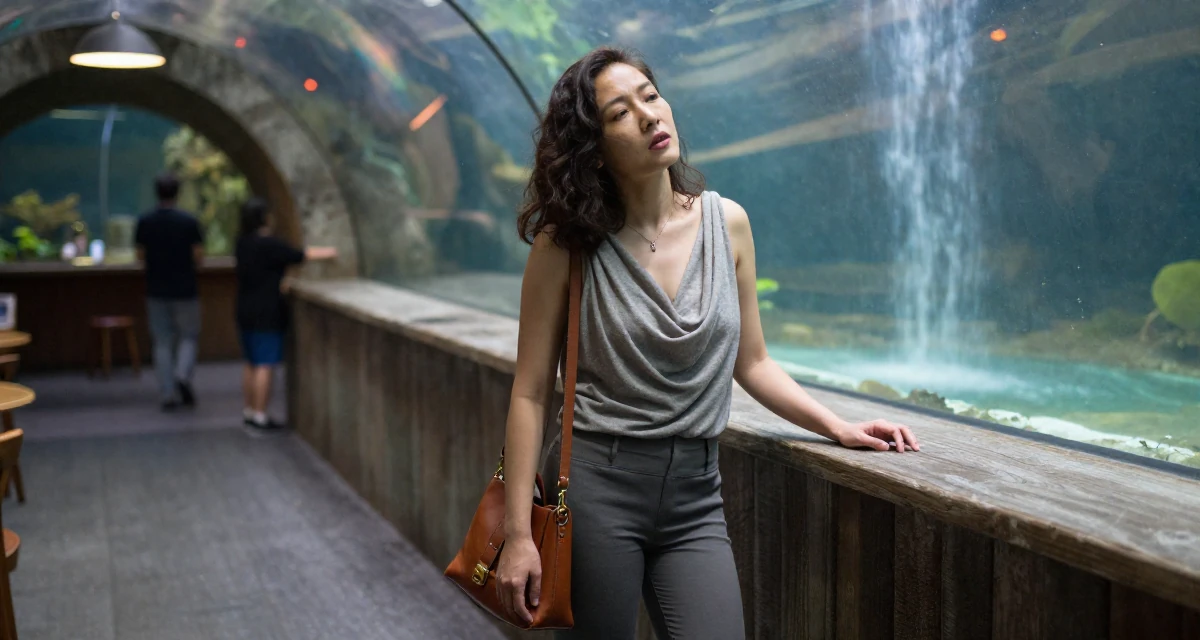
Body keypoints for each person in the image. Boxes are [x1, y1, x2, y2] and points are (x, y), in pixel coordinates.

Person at [495, 47, 921, 640]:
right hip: (596, 488)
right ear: (592, 148)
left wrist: (839, 427)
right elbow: (531, 392)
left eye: (650, 95)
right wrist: (518, 535)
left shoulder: (729, 223)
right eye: (620, 112)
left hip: (696, 493)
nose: (648, 116)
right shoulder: (566, 245)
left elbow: (754, 362)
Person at [235, 197, 337, 434]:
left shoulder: (242, 243)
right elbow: (301, 255)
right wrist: (332, 251)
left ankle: (249, 411)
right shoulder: (269, 244)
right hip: (267, 311)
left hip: (244, 308)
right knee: (265, 364)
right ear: (264, 218)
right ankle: (260, 415)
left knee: (250, 362)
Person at [135, 173, 204, 411]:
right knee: (188, 336)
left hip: (156, 289)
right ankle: (182, 374)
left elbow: (140, 256)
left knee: (162, 341)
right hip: (185, 288)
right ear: (178, 192)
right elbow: (198, 256)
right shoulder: (188, 221)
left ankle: (167, 393)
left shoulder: (146, 221)